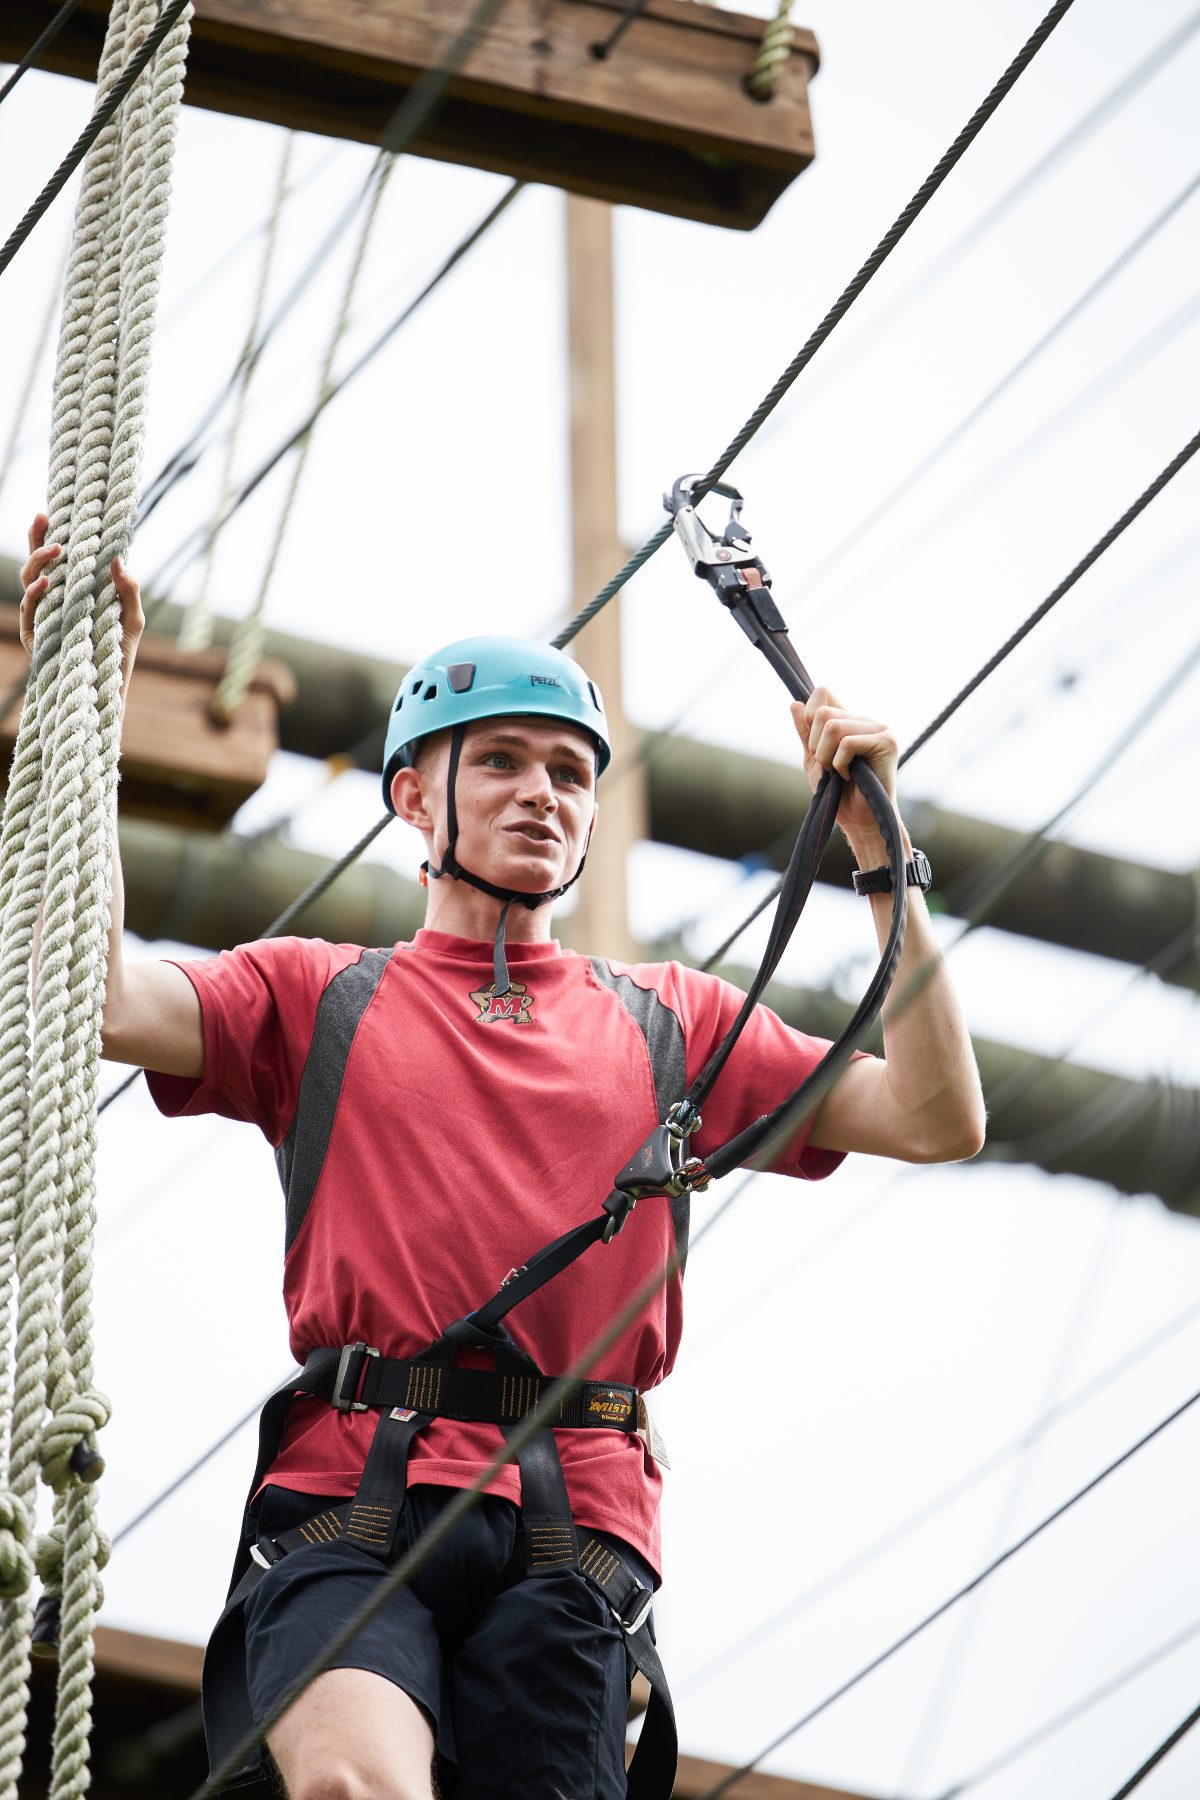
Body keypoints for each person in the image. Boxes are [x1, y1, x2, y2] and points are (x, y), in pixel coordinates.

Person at [20, 514, 985, 1800]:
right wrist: (82, 711)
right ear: (416, 795)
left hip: (573, 1530)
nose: (545, 792)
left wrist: (886, 863)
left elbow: (935, 1118)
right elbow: (100, 999)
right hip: (352, 1495)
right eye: (506, 763)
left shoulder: (671, 1023)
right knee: (352, 1788)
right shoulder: (321, 997)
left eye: (573, 773)